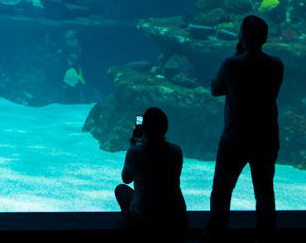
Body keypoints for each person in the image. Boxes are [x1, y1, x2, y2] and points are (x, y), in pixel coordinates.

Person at [200, 14, 285, 242]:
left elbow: (216, 89)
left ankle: (213, 237)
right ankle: (266, 240)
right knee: (265, 192)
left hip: (235, 139)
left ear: (243, 36)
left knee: (221, 191)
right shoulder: (276, 64)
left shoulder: (232, 63)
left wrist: (238, 56)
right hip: (266, 139)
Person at [114, 107, 187, 239]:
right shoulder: (176, 150)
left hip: (144, 219)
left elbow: (126, 179)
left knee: (120, 189)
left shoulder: (135, 152)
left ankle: (131, 226)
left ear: (143, 128)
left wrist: (133, 147)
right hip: (176, 216)